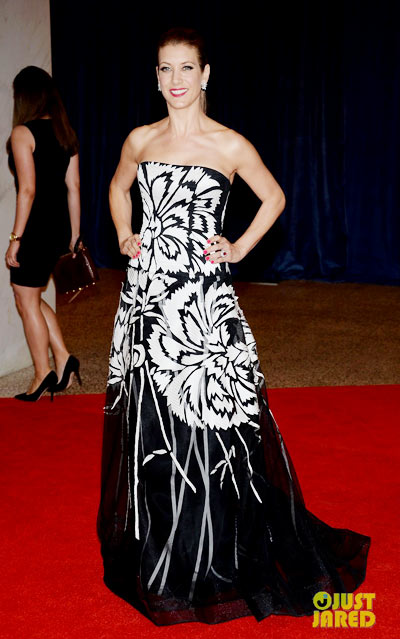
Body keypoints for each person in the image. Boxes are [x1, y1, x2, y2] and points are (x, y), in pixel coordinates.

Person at [97, 27, 370, 625]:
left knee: (220, 431)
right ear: (157, 75)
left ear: (206, 74)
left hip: (203, 303)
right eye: (165, 69)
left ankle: (219, 553)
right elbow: (117, 190)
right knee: (156, 431)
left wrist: (239, 247)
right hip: (146, 302)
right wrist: (123, 234)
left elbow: (273, 197)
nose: (174, 80)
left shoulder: (229, 145)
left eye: (185, 68)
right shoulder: (140, 139)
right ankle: (167, 553)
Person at [5, 66, 82, 402]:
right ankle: (63, 359)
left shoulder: (23, 133)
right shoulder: (65, 132)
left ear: (23, 97)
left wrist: (15, 239)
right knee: (33, 298)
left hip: (35, 229)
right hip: (60, 227)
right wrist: (75, 236)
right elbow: (74, 187)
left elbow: (27, 190)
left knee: (25, 298)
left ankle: (42, 373)